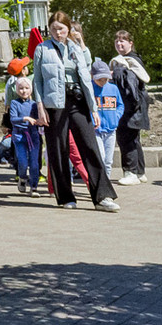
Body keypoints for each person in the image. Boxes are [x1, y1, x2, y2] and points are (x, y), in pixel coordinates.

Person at [31, 13, 120, 212]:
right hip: (54, 104)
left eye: (61, 29)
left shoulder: (76, 48)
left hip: (77, 101)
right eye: (54, 29)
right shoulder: (42, 49)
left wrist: (93, 108)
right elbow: (37, 80)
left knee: (90, 146)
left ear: (68, 29)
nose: (58, 33)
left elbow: (87, 76)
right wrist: (40, 107)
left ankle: (102, 197)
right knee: (58, 149)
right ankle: (65, 197)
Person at [110, 30, 152, 184]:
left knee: (125, 138)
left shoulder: (129, 61)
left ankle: (130, 173)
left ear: (130, 43)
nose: (119, 44)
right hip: (136, 106)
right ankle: (140, 172)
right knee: (134, 139)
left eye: (122, 41)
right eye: (117, 41)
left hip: (130, 106)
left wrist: (112, 74)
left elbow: (127, 84)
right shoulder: (134, 60)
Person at [9, 79, 43, 194]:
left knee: (34, 163)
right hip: (19, 136)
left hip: (33, 136)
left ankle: (34, 187)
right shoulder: (14, 103)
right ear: (17, 90)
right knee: (23, 162)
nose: (24, 91)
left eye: (27, 88)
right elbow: (13, 119)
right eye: (21, 88)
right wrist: (25, 118)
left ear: (31, 89)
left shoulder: (34, 104)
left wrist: (39, 121)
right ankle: (22, 178)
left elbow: (39, 118)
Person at [92, 60, 124, 178]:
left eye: (105, 79)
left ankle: (107, 181)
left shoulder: (113, 88)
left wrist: (116, 117)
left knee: (108, 160)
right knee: (101, 156)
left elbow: (120, 105)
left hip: (111, 130)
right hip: (96, 130)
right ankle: (100, 181)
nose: (102, 82)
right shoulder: (90, 88)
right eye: (99, 79)